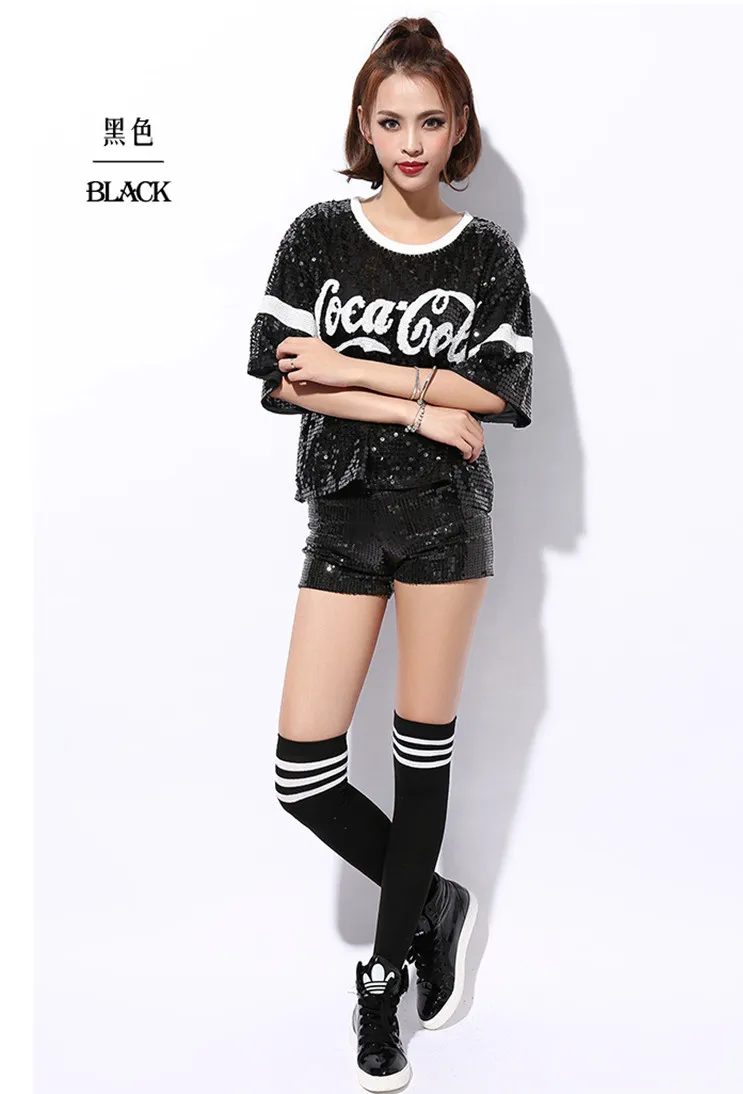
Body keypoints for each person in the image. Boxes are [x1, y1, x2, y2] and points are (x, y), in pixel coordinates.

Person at [247, 16, 533, 1091]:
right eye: (389, 121)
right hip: (343, 514)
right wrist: (417, 402)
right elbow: (286, 378)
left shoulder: (487, 254)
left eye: (429, 121)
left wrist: (356, 371)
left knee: (420, 754)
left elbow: (494, 393)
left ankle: (381, 977)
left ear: (457, 128)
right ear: (363, 128)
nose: (409, 142)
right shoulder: (319, 234)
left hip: (446, 522)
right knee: (301, 770)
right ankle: (432, 900)